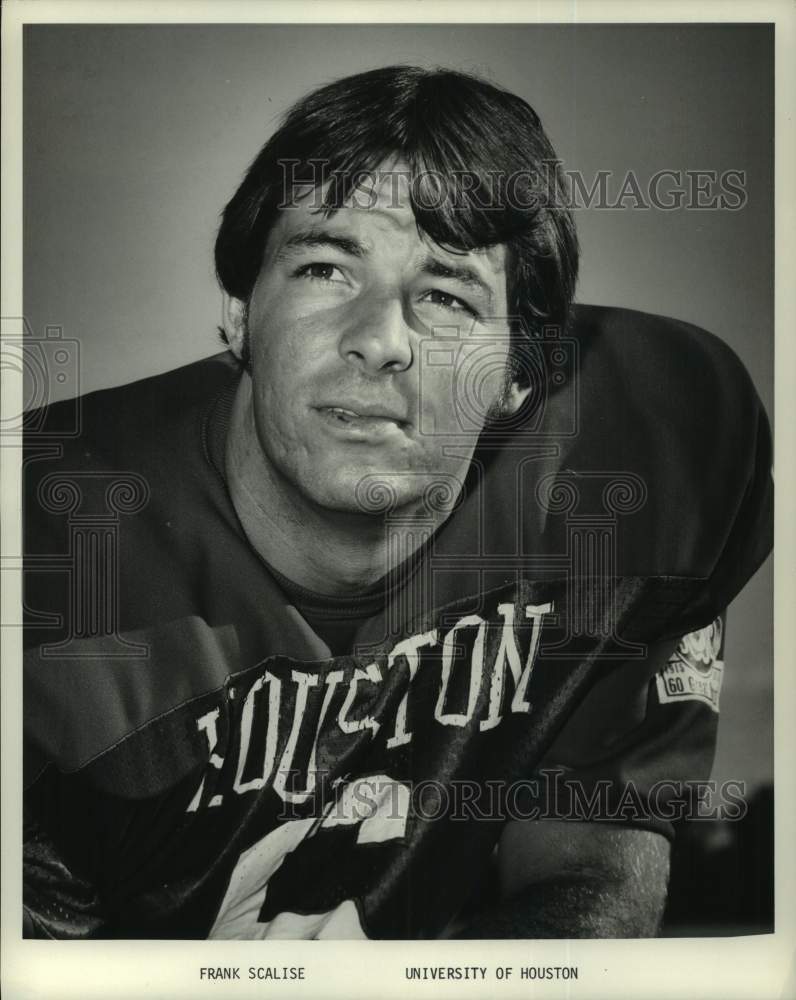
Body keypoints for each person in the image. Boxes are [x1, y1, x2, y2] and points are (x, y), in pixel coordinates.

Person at [22, 65, 772, 939]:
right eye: (325, 268)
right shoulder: (50, 549)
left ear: (521, 376)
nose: (380, 340)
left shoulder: (648, 460)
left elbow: (586, 879)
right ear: (237, 311)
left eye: (447, 295)